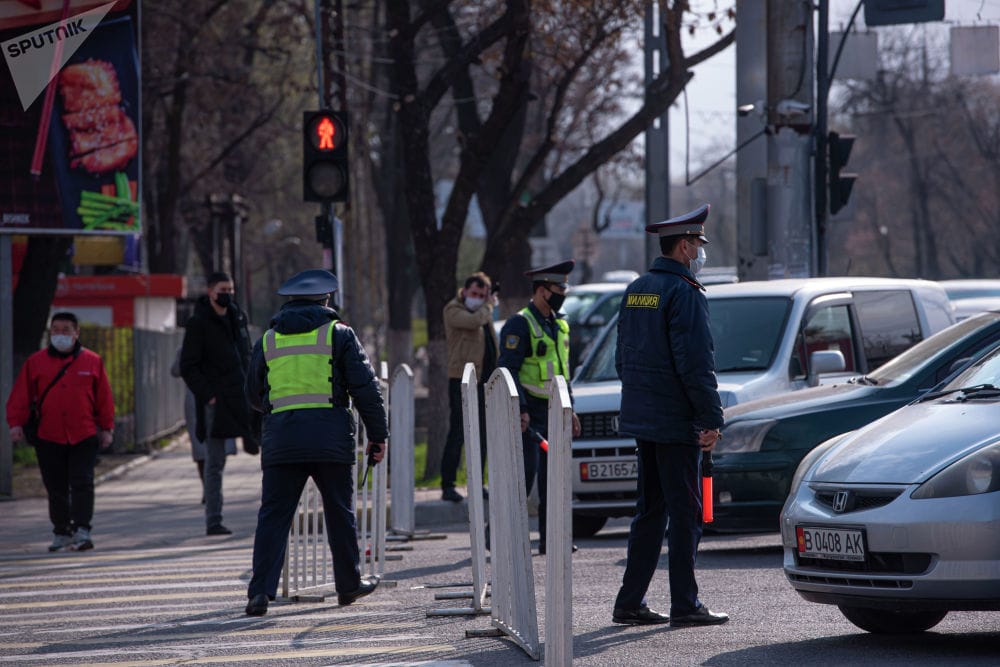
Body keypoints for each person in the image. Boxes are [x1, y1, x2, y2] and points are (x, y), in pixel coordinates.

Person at [244, 269, 387, 616]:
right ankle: (348, 585)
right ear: (326, 300)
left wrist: (279, 413)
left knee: (273, 517)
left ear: (289, 302)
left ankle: (260, 594)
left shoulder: (268, 340)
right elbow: (365, 389)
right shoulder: (339, 335)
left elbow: (251, 393)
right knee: (339, 512)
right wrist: (378, 435)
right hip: (330, 440)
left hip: (282, 442)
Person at [611, 204, 728, 627]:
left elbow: (622, 358)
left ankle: (630, 602)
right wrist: (711, 419)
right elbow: (695, 364)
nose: (700, 251)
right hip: (677, 421)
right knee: (687, 512)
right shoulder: (684, 292)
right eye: (697, 243)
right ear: (683, 246)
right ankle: (686, 602)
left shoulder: (638, 288)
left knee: (650, 511)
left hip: (644, 418)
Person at [6, 312, 115, 552]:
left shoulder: (92, 361)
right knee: (55, 487)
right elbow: (21, 396)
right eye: (55, 329)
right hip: (49, 434)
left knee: (82, 482)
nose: (60, 334)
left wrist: (107, 428)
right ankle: (62, 531)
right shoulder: (36, 363)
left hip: (83, 433)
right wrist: (15, 423)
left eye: (66, 330)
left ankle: (83, 530)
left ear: (76, 333)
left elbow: (103, 398)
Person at [497, 260, 582, 556]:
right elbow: (508, 370)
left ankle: (550, 539)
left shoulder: (559, 323)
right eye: (559, 288)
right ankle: (499, 536)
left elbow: (563, 370)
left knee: (553, 479)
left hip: (555, 412)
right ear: (542, 290)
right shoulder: (520, 324)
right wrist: (519, 408)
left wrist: (570, 408)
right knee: (525, 476)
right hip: (530, 414)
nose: (563, 293)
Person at [179, 271, 253, 536]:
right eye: (223, 289)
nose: (228, 294)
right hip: (216, 403)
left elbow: (247, 353)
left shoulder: (237, 317)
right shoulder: (198, 323)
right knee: (214, 462)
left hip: (244, 397)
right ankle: (214, 520)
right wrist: (208, 394)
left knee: (267, 449)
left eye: (231, 289)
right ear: (210, 291)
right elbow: (188, 366)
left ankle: (276, 513)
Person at [440, 272, 499, 503]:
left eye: (482, 295)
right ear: (464, 292)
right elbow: (474, 322)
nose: (478, 298)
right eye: (474, 294)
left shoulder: (483, 313)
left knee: (482, 433)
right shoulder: (453, 310)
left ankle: (477, 482)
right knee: (458, 432)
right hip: (461, 380)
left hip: (483, 380)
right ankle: (448, 484)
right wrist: (489, 304)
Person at [170, 342, 236, 503]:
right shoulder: (187, 347)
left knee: (219, 444)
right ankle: (209, 487)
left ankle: (212, 485)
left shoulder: (224, 340)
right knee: (201, 447)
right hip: (197, 400)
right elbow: (176, 370)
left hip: (217, 399)